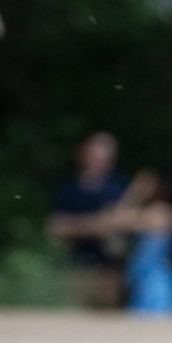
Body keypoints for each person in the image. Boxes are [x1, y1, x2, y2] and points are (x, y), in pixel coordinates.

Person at [48, 131, 129, 307]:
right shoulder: (68, 190)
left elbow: (121, 226)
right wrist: (98, 224)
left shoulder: (117, 189)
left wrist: (76, 226)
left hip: (108, 273)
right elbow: (55, 228)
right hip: (75, 272)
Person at [117, 170, 172, 314]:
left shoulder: (163, 212)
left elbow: (117, 220)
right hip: (139, 281)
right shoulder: (146, 212)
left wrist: (133, 195)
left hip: (154, 283)